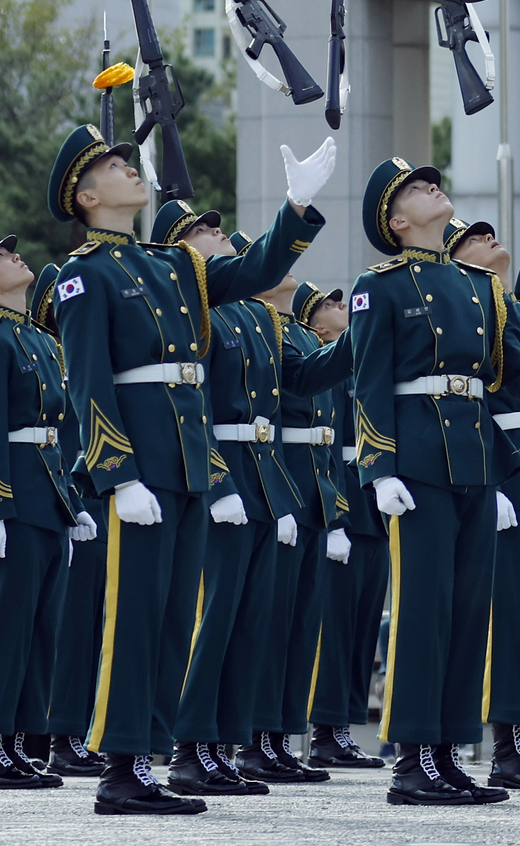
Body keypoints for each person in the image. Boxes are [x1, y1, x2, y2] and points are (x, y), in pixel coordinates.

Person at [46, 122, 335, 817]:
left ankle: (148, 757)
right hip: (140, 468)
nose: (131, 169)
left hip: (184, 468)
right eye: (116, 165)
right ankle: (120, 766)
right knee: (136, 617)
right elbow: (88, 382)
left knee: (176, 617)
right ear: (86, 196)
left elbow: (255, 273)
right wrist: (117, 473)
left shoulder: (172, 266)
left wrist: (295, 212)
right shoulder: (86, 274)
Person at [351, 155, 520, 805]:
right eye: (417, 187)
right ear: (397, 217)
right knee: (424, 611)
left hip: (473, 462)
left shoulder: (475, 289)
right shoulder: (377, 286)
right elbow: (369, 384)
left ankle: (447, 751)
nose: (432, 187)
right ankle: (412, 758)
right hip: (415, 463)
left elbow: (510, 373)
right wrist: (379, 467)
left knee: (468, 612)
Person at [159, 207, 297, 797]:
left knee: (247, 621)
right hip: (219, 471)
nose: (219, 234)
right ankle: (188, 748)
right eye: (204, 231)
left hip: (261, 477)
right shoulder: (190, 309)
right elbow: (193, 408)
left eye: (217, 228)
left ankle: (220, 745)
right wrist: (216, 484)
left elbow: (303, 378)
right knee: (210, 617)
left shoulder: (255, 315)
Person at [236, 274, 353, 785]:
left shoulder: (299, 340)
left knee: (303, 625)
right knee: (273, 622)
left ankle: (282, 736)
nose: (339, 304)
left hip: (312, 496)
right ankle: (258, 738)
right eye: (329, 301)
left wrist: (336, 515)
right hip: (281, 489)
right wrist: (282, 499)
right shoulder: (273, 336)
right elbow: (273, 429)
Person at [0, 233, 86, 789]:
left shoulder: (37, 340)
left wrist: (72, 503)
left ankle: (25, 740)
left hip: (47, 498)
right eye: (3, 254)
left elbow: (56, 433)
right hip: (16, 501)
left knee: (39, 629)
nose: (15, 254)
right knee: (8, 628)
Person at [306, 287, 390, 771]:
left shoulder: (361, 365)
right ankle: (325, 729)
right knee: (334, 627)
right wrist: (335, 517)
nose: (344, 309)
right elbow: (326, 451)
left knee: (361, 626)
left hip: (372, 508)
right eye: (333, 306)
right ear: (319, 327)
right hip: (343, 507)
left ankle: (343, 727)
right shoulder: (323, 367)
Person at [29, 262, 105, 780]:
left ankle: (73, 730)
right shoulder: (51, 359)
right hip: (66, 499)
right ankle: (60, 733)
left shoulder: (77, 356)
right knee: (69, 626)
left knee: (90, 624)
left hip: (89, 503)